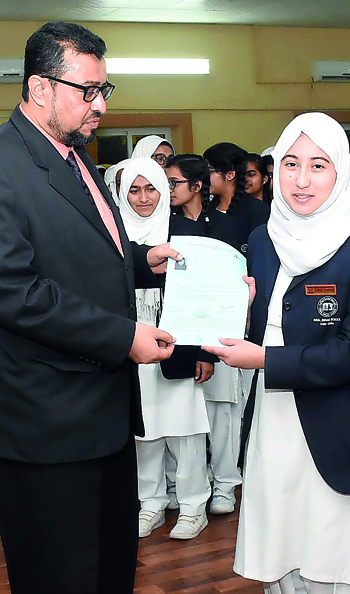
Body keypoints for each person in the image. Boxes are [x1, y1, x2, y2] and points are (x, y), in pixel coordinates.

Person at [0, 21, 180, 594]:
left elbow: (78, 255)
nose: (101, 105)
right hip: (46, 422)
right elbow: (12, 291)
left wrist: (142, 261)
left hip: (97, 412)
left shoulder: (73, 156)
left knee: (108, 583)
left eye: (104, 88)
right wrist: (124, 337)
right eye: (88, 90)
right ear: (39, 87)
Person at [204, 112, 350, 594]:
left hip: (339, 435)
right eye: (290, 164)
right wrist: (235, 312)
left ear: (341, 173)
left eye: (318, 166)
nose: (302, 180)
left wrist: (265, 356)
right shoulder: (262, 241)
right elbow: (253, 331)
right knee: (284, 576)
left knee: (345, 582)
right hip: (276, 429)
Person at [117, 158, 212, 540]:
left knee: (185, 429)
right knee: (144, 431)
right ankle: (152, 502)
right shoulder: (112, 234)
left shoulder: (185, 232)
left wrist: (205, 351)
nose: (143, 198)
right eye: (134, 190)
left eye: (152, 188)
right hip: (130, 345)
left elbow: (206, 294)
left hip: (180, 346)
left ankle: (192, 506)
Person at [165, 153, 241, 514]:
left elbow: (231, 289)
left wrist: (210, 352)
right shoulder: (166, 228)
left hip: (221, 335)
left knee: (221, 410)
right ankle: (189, 482)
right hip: (181, 334)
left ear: (197, 186)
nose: (168, 190)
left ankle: (226, 483)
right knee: (187, 414)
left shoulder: (225, 226)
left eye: (174, 183)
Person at [205, 142, 270, 251]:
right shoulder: (208, 209)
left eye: (210, 171)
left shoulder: (257, 211)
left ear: (230, 175)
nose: (205, 177)